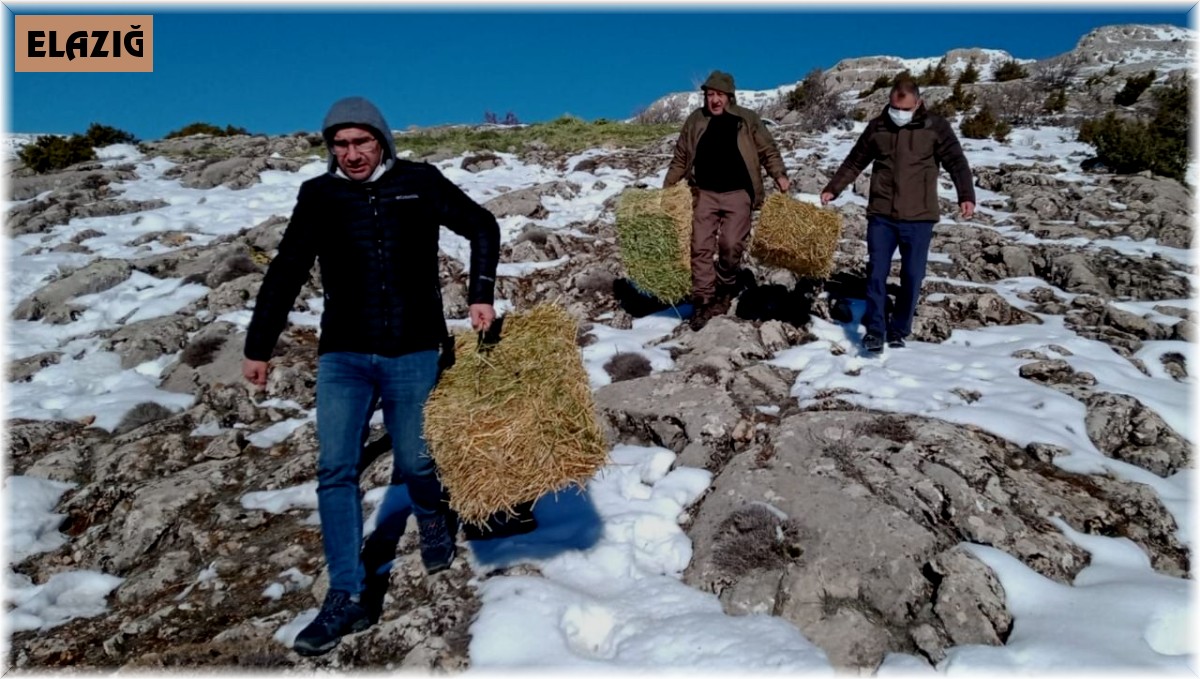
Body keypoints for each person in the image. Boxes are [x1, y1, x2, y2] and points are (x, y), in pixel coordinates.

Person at [242, 96, 499, 656]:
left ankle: (431, 514)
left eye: (362, 142)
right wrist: (258, 346)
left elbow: (482, 225)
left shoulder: (419, 182)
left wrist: (480, 293)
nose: (352, 154)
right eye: (340, 144)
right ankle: (345, 595)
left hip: (414, 350)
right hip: (344, 355)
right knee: (335, 469)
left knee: (416, 461)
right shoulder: (319, 195)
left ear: (382, 140)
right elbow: (286, 269)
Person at [820, 79, 975, 353]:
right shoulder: (878, 127)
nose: (899, 114)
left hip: (919, 217)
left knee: (913, 276)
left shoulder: (935, 127)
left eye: (905, 109)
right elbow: (855, 161)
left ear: (918, 103)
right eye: (895, 108)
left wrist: (966, 195)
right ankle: (875, 330)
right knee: (876, 273)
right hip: (882, 215)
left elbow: (956, 162)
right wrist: (834, 188)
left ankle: (899, 329)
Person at [664, 70, 790, 331]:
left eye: (719, 95)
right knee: (700, 246)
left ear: (729, 96)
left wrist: (779, 175)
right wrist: (668, 187)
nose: (714, 100)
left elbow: (767, 150)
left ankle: (725, 286)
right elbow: (681, 157)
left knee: (731, 245)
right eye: (710, 94)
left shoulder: (746, 119)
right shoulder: (696, 119)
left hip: (739, 193)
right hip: (704, 193)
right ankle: (703, 301)